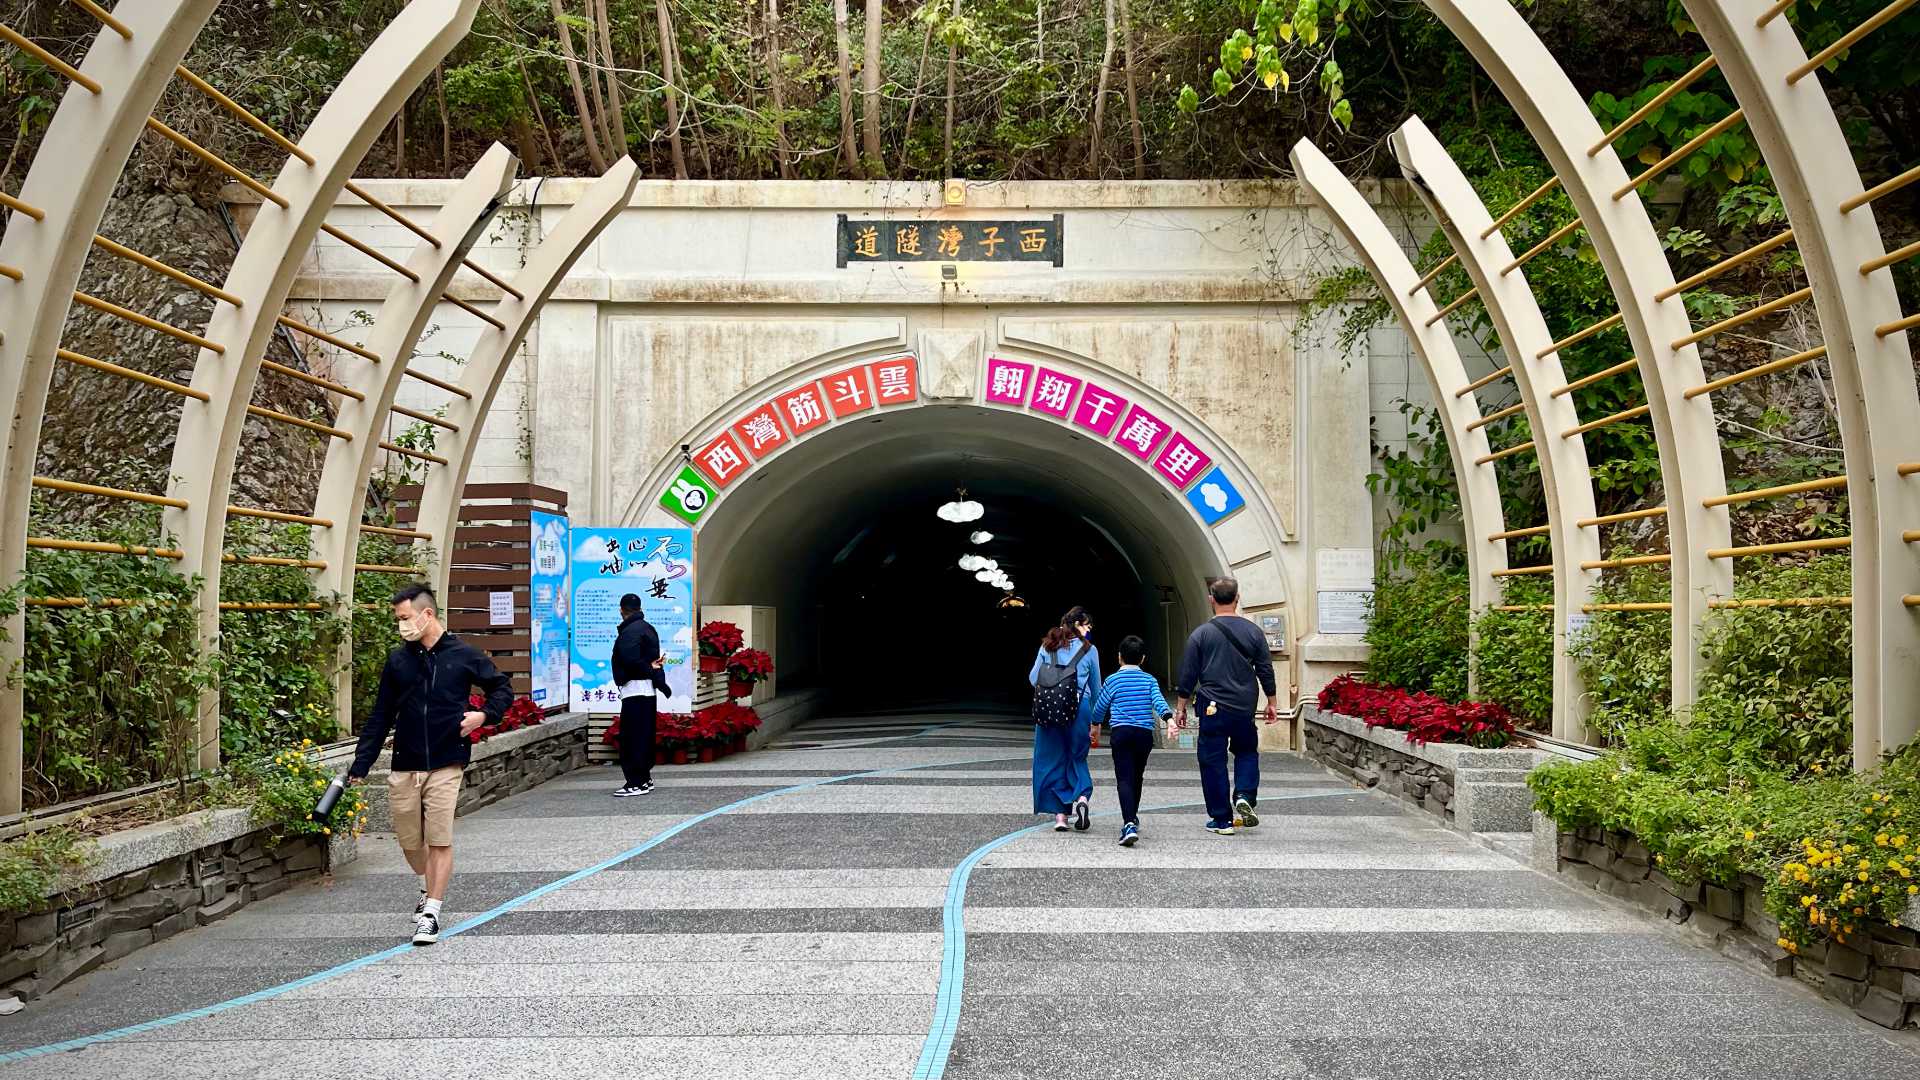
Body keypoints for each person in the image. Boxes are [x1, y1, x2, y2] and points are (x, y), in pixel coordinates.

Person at [348, 583, 512, 945]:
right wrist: (361, 765)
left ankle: (432, 913)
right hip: (405, 762)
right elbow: (381, 715)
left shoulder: (464, 655)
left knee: (439, 837)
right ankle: (427, 885)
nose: (402, 626)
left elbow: (502, 689)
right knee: (409, 841)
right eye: (398, 620)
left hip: (446, 759)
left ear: (427, 614)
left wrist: (483, 716)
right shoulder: (398, 661)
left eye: (405, 618)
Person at [1170, 577, 1278, 836]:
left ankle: (1222, 820)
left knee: (1212, 760)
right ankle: (1244, 794)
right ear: (1237, 599)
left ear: (1211, 600)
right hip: (1244, 706)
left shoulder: (1201, 634)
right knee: (1247, 751)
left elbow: (1188, 674)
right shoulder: (1253, 632)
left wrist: (1181, 707)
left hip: (1212, 706)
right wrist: (1272, 701)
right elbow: (1265, 668)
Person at [1088, 634, 1172, 847]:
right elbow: (1159, 702)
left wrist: (1095, 726)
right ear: (1143, 658)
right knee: (1137, 776)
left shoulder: (1113, 680)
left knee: (1124, 778)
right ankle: (1132, 816)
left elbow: (1100, 706)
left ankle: (1128, 823)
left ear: (1119, 657)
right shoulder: (1149, 680)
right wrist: (1169, 719)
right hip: (1143, 735)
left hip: (1122, 733)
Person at [1029, 606, 1100, 832]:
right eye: (1087, 625)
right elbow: (1096, 688)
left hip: (1049, 710)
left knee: (1051, 760)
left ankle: (1060, 816)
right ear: (1077, 625)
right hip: (1079, 710)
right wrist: (1097, 720)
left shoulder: (1047, 645)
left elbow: (1033, 679)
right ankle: (1081, 797)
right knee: (1077, 756)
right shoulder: (1090, 650)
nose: (1089, 630)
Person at [610, 592, 670, 797]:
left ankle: (635, 782)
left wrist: (646, 667)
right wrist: (653, 671)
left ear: (621, 610)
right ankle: (645, 779)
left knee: (631, 738)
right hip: (648, 690)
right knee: (644, 735)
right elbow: (651, 660)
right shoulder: (648, 628)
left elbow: (630, 660)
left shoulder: (629, 632)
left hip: (634, 691)